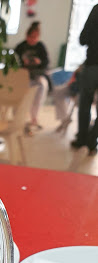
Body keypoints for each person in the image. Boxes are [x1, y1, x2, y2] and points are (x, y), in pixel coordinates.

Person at [71, 4, 98, 156]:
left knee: (85, 104)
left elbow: (83, 39)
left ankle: (82, 140)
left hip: (93, 64)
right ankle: (92, 141)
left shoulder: (96, 9)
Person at [15, 21, 50, 129]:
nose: (33, 39)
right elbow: (14, 62)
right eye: (31, 37)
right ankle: (18, 117)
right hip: (22, 76)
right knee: (21, 96)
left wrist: (39, 62)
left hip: (37, 76)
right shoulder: (20, 47)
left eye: (35, 37)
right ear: (27, 36)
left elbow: (46, 63)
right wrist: (23, 62)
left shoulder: (41, 47)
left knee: (41, 87)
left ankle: (34, 117)